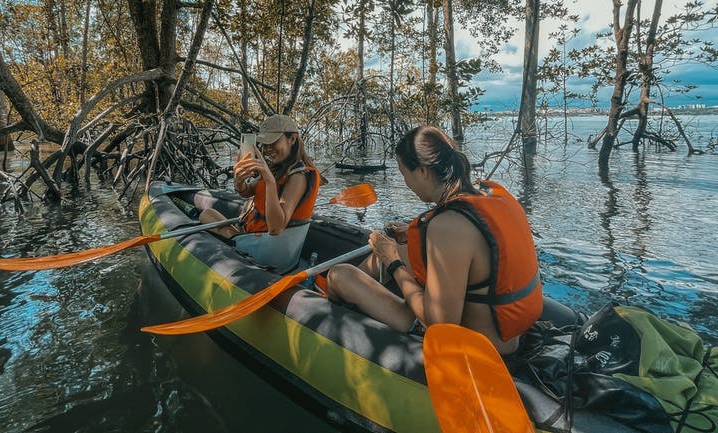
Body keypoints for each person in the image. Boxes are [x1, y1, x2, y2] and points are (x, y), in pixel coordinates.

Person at [325, 126, 543, 354]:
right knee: (401, 247)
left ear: (422, 172)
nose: (406, 183)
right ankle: (365, 293)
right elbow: (478, 246)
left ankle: (334, 301)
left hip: (476, 350)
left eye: (404, 173)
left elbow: (439, 325)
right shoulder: (488, 195)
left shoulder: (447, 224)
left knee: (340, 273)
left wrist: (393, 262)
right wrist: (410, 237)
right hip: (506, 337)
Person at [199, 114, 320, 240]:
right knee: (208, 214)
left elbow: (275, 229)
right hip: (250, 232)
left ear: (293, 139)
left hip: (263, 245)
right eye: (265, 144)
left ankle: (235, 239)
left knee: (206, 215)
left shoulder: (299, 176)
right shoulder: (278, 167)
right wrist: (239, 184)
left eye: (273, 142)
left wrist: (270, 182)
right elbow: (248, 191)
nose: (268, 149)